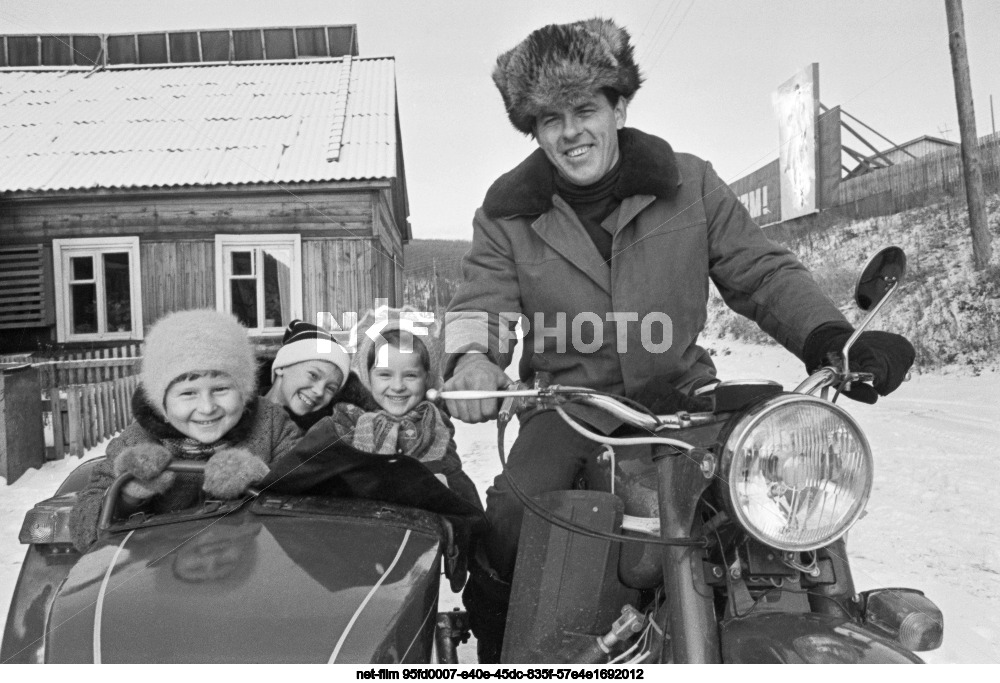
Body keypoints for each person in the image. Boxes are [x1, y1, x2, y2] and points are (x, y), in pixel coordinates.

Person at [441, 18, 916, 662]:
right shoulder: (506, 214)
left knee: (775, 512)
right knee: (511, 517)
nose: (571, 131)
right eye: (550, 119)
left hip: (684, 403)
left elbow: (761, 271)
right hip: (569, 409)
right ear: (535, 129)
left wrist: (831, 336)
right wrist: (473, 359)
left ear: (619, 106)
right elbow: (481, 304)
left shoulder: (687, 184)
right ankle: (503, 654)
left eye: (585, 108)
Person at [70, 309, 301, 552]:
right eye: (188, 393)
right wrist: (128, 496)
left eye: (221, 389)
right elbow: (83, 529)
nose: (207, 407)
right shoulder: (136, 441)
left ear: (244, 391)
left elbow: (314, 489)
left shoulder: (271, 425)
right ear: (163, 404)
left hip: (259, 564)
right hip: (167, 564)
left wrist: (262, 477)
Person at [319, 308, 482, 509]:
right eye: (385, 375)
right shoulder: (346, 422)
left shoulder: (434, 428)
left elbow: (462, 498)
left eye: (410, 375)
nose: (397, 386)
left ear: (426, 379)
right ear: (367, 377)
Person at [263, 319, 357, 431]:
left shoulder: (321, 438)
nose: (319, 391)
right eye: (313, 375)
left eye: (331, 388)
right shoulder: (239, 412)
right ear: (281, 367)